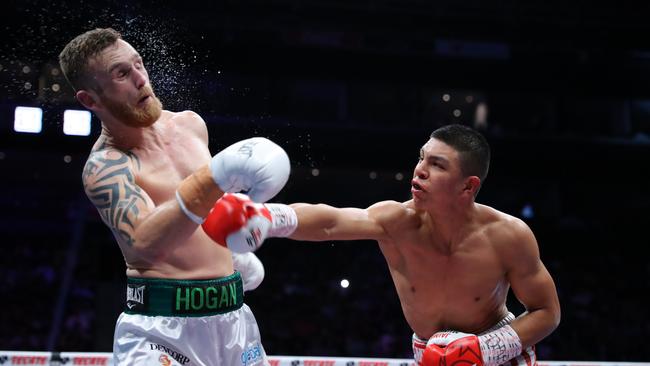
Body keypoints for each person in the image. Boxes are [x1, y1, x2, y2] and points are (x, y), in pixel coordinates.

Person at [204, 124, 561, 366]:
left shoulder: (508, 235)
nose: (419, 170)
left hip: (498, 350)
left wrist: (484, 350)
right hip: (428, 352)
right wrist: (269, 217)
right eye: (421, 157)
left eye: (436, 165)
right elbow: (331, 222)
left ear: (468, 187)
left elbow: (547, 311)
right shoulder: (396, 222)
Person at [59, 28, 290, 365]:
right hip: (160, 334)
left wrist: (232, 255)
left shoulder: (190, 125)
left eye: (138, 64)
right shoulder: (106, 167)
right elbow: (144, 241)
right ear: (90, 100)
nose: (141, 78)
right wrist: (213, 178)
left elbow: (210, 213)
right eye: (121, 73)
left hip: (233, 319)